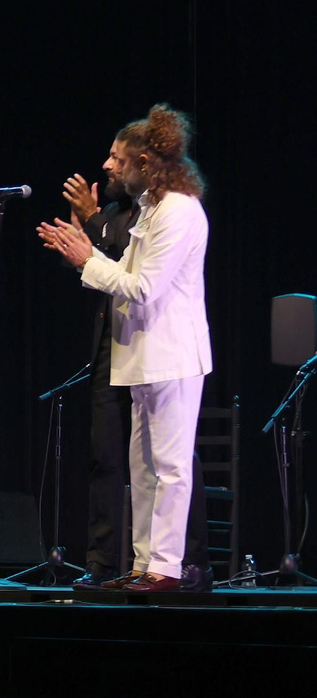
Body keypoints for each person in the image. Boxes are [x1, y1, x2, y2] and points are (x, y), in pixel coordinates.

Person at [40, 104, 211, 592]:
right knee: (143, 468)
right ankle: (142, 564)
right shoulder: (153, 209)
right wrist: (86, 251)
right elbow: (124, 275)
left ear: (144, 162)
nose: (109, 166)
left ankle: (167, 568)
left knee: (171, 467)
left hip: (172, 355)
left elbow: (143, 288)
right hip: (140, 355)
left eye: (118, 158)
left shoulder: (178, 211)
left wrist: (84, 260)